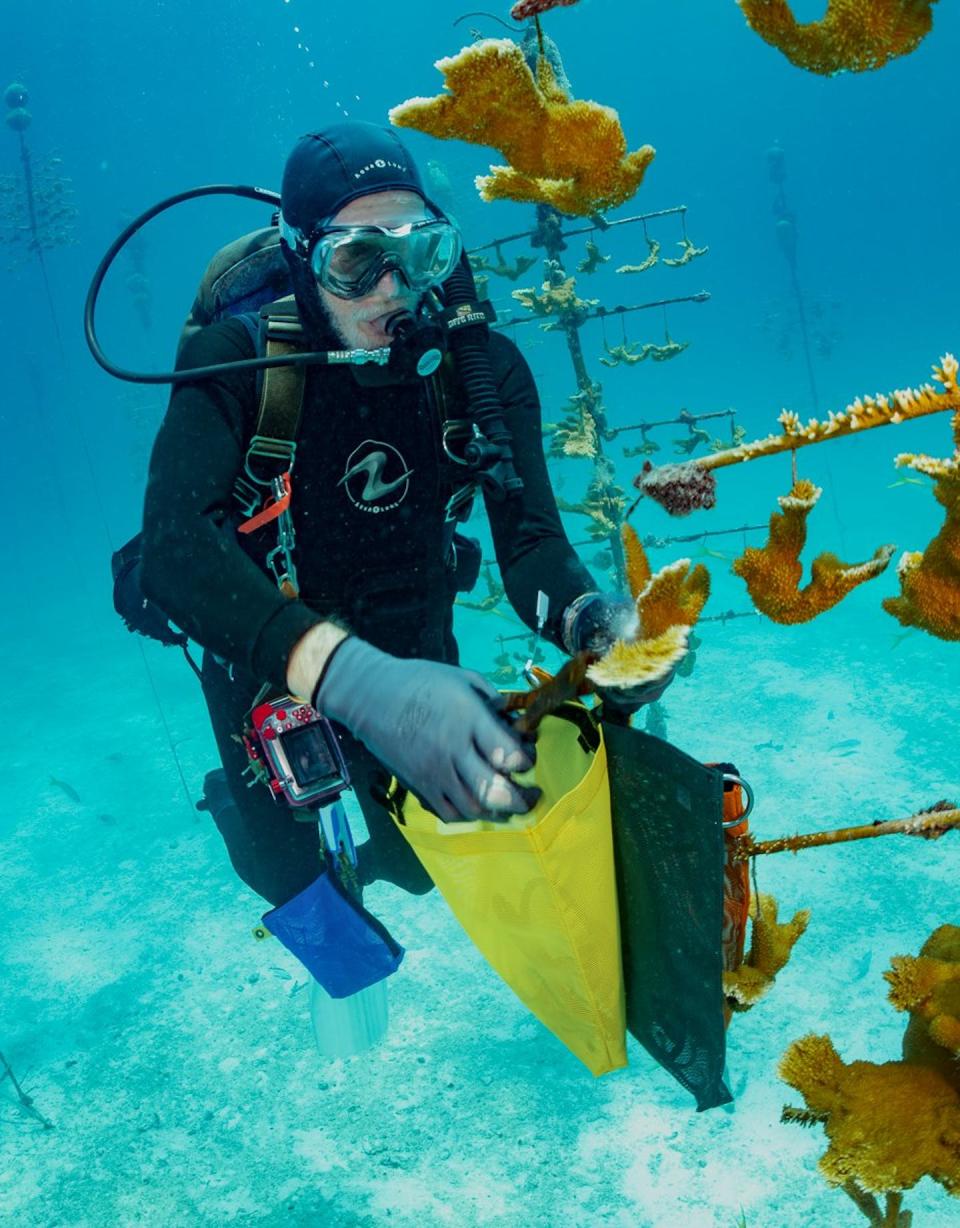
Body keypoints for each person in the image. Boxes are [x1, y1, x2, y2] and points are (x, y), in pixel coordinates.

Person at [140, 120, 670, 909]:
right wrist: (354, 681)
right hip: (266, 651)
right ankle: (239, 805)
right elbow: (174, 551)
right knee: (291, 881)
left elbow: (529, 547)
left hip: (410, 637)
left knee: (427, 859)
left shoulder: (480, 372)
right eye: (356, 261)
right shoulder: (238, 363)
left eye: (418, 254)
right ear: (300, 255)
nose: (393, 289)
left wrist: (593, 625)